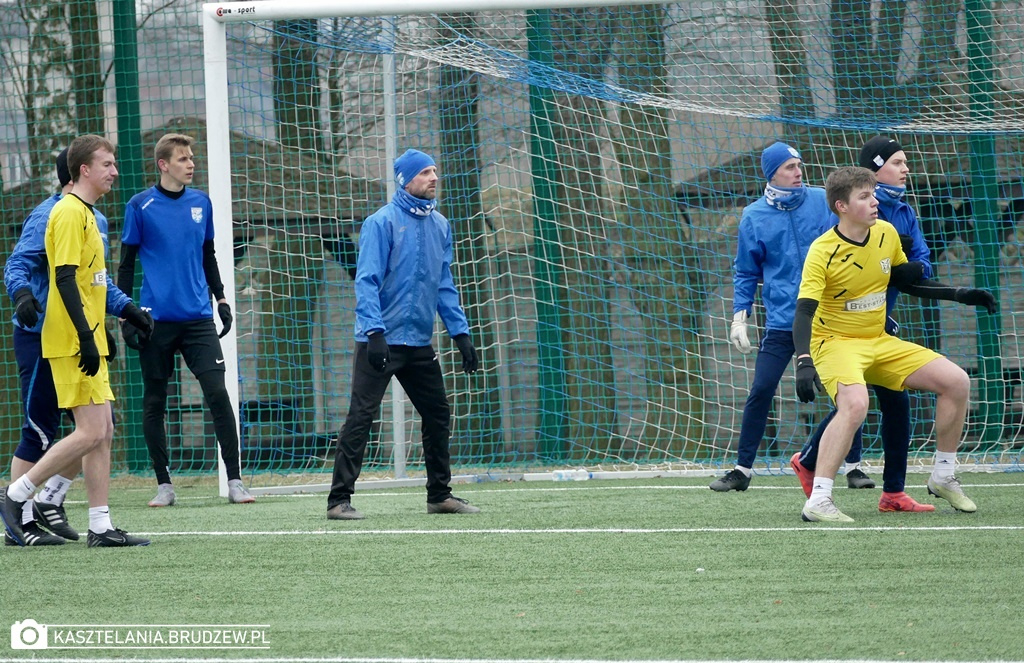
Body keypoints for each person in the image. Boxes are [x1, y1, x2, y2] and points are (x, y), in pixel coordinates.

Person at [794, 166, 996, 522]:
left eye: (873, 194)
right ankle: (819, 499)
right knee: (856, 404)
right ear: (841, 206)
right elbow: (804, 311)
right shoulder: (822, 250)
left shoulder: (886, 233)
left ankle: (943, 476)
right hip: (836, 343)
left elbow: (907, 283)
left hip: (878, 340)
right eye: (864, 196)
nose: (874, 202)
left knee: (956, 381)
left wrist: (960, 294)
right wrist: (803, 361)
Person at [0, 134, 155, 547]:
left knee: (101, 428)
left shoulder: (95, 217)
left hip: (83, 333)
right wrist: (22, 294)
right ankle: (20, 513)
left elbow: (95, 282)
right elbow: (21, 264)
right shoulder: (54, 213)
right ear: (78, 172)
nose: (114, 172)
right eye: (106, 164)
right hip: (44, 335)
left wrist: (126, 311)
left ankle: (55, 502)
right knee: (43, 430)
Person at [326, 148, 480, 520]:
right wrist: (374, 331)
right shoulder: (380, 223)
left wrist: (460, 333)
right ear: (405, 180)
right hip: (379, 341)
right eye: (425, 172)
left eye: (434, 170)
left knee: (438, 412)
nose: (434, 177)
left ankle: (439, 495)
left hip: (418, 343)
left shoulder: (440, 225)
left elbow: (444, 283)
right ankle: (338, 500)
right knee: (361, 416)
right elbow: (366, 281)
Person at [712, 142, 872, 492]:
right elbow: (745, 271)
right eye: (789, 167)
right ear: (772, 174)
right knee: (761, 389)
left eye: (799, 165)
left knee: (847, 391)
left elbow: (852, 242)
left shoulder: (822, 201)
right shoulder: (753, 216)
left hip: (828, 319)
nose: (798, 172)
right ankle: (741, 470)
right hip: (782, 322)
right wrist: (739, 316)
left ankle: (854, 466)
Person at [791, 137, 938, 512]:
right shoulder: (839, 226)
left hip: (880, 326)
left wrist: (915, 271)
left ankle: (893, 492)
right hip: (840, 333)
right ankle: (828, 476)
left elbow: (920, 264)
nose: (905, 169)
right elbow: (837, 276)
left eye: (906, 161)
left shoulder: (901, 213)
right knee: (855, 404)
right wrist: (803, 359)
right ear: (875, 169)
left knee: (896, 402)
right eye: (897, 162)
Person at [116, 133, 254, 507]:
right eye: (182, 158)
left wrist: (221, 298)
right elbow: (126, 265)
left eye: (191, 157)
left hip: (198, 320)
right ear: (163, 164)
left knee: (218, 394)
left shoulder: (201, 203)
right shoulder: (139, 205)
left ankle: (236, 481)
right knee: (154, 402)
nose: (191, 164)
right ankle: (165, 485)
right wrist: (124, 315)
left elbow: (208, 255)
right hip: (155, 322)